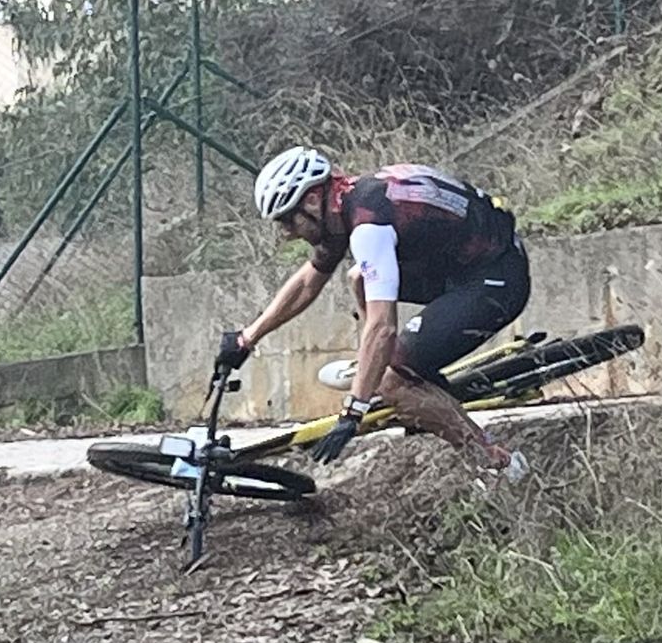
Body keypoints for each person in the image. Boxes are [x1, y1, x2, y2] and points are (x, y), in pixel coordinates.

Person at [217, 145, 529, 477]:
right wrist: (248, 338)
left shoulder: (369, 226)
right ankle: (386, 365)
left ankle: (497, 464)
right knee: (359, 279)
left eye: (286, 220)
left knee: (392, 383)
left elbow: (383, 326)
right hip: (469, 262)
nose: (287, 233)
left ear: (310, 201)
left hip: (498, 279)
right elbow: (308, 282)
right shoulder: (346, 202)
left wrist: (354, 410)